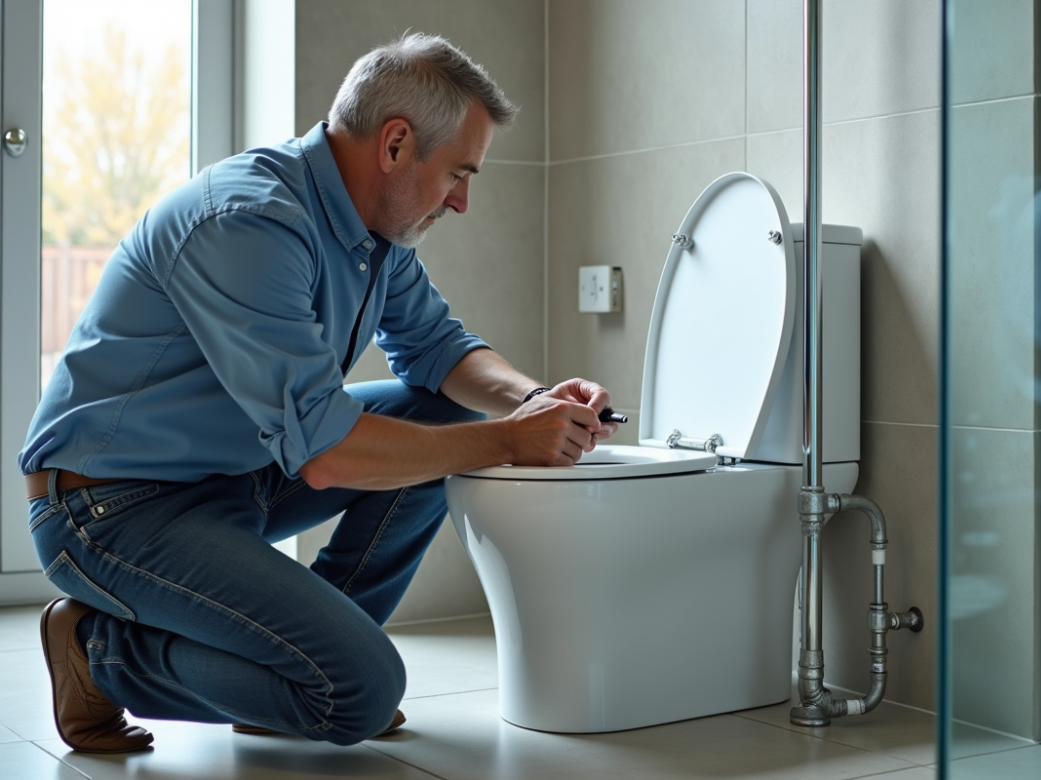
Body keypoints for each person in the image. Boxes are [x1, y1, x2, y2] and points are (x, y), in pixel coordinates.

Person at [21, 32, 617, 754]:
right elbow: (329, 455)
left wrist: (536, 400)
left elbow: (437, 350)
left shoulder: (375, 231)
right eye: (458, 173)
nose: (462, 202)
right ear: (395, 145)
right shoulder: (250, 223)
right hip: (109, 507)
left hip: (236, 478)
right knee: (360, 691)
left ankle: (289, 672)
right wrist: (507, 440)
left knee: (438, 410)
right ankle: (99, 653)